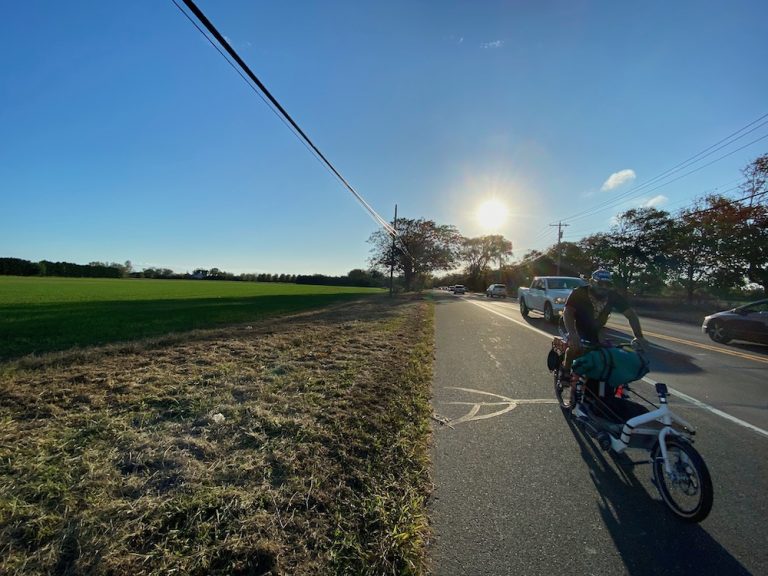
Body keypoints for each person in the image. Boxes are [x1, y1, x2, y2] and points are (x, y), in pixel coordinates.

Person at [559, 268, 648, 386]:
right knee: (575, 347)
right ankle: (565, 371)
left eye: (608, 284)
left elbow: (631, 315)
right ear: (592, 282)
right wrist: (572, 334)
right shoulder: (579, 292)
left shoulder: (613, 296)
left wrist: (639, 336)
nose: (604, 287)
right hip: (571, 324)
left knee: (603, 352)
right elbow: (568, 312)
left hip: (594, 329)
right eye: (600, 283)